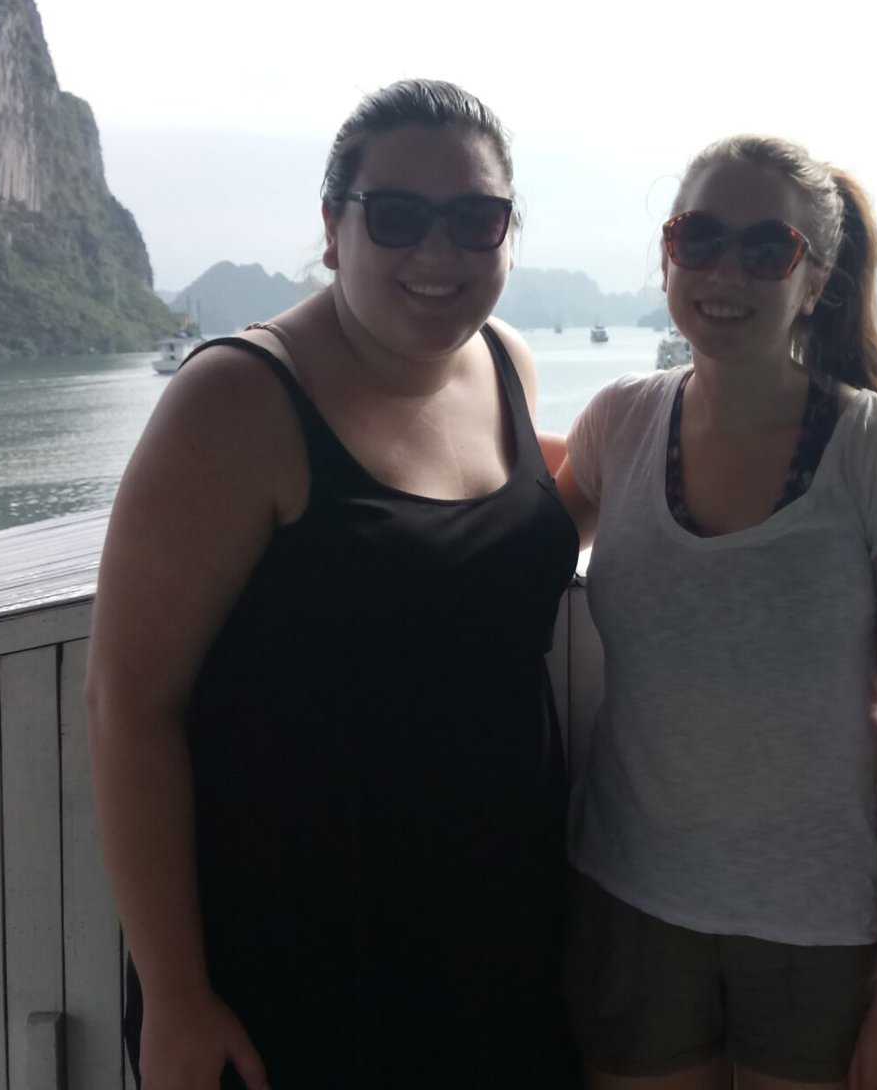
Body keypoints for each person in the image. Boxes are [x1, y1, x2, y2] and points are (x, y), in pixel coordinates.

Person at [86, 79, 582, 1088]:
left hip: (500, 940)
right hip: (296, 966)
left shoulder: (504, 363)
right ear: (331, 228)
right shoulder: (236, 400)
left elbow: (501, 533)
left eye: (474, 219)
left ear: (507, 231)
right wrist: (176, 993)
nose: (436, 254)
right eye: (395, 216)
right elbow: (129, 707)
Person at [553, 136, 877, 1090]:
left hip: (816, 926)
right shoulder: (619, 424)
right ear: (666, 253)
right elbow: (507, 537)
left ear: (813, 277)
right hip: (632, 900)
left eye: (763, 249)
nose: (722, 272)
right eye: (697, 238)